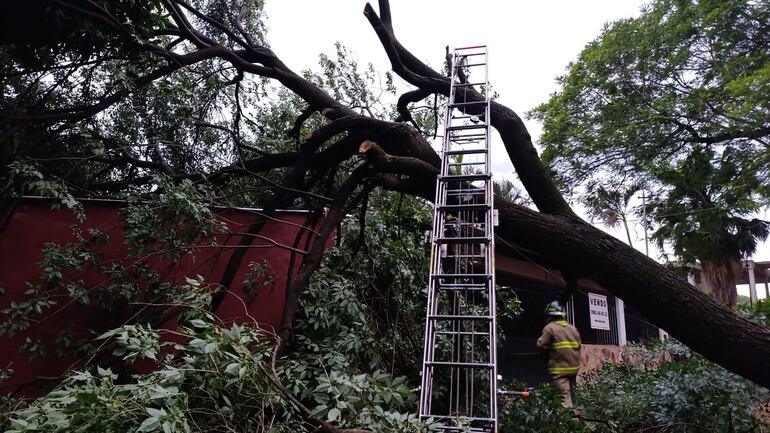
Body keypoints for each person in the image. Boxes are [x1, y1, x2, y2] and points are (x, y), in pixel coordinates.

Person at [536, 301, 581, 407]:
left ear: (549, 316)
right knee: (574, 397)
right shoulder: (573, 329)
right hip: (573, 369)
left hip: (560, 370)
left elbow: (541, 345)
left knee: (564, 398)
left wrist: (547, 358)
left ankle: (569, 421)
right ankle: (581, 419)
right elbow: (578, 346)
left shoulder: (550, 328)